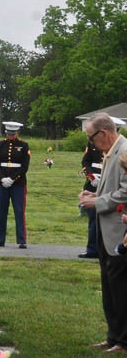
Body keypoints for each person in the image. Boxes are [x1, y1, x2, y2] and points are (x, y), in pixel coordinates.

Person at [79, 114, 127, 353]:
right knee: (109, 288)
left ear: (104, 134)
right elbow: (111, 187)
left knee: (121, 289)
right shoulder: (111, 150)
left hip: (119, 232)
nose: (92, 144)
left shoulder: (124, 151)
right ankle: (113, 336)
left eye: (91, 138)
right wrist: (93, 195)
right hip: (106, 231)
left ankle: (124, 341)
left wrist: (97, 202)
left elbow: (125, 193)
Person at [0, 121, 31, 248]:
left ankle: (21, 240)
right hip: (2, 182)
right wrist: (2, 178)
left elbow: (24, 166)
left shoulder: (24, 146)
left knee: (19, 211)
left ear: (17, 133)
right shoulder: (0, 145)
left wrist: (13, 178)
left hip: (18, 183)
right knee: (1, 211)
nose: (11, 136)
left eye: (13, 134)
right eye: (9, 134)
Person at [79, 141, 104, 258]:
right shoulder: (92, 144)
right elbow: (85, 161)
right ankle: (92, 250)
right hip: (93, 184)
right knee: (93, 219)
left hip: (108, 183)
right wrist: (91, 176)